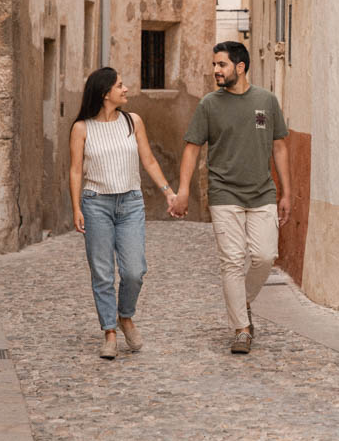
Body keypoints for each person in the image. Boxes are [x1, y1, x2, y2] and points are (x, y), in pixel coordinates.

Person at [169, 41, 290, 355]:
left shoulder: (266, 100)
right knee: (232, 262)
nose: (215, 71)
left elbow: (279, 147)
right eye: (214, 65)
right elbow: (192, 148)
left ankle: (242, 301)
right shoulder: (209, 104)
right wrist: (183, 191)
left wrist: (286, 192)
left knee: (265, 256)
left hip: (262, 192)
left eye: (221, 65)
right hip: (224, 193)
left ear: (240, 66)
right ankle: (241, 328)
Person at [69, 67, 176, 360]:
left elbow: (149, 161)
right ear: (105, 94)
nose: (126, 89)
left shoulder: (133, 121)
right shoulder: (82, 128)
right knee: (102, 273)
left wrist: (168, 191)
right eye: (120, 85)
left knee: (134, 271)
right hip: (96, 204)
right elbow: (76, 170)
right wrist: (77, 206)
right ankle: (110, 332)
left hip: (130, 203)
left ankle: (125, 315)